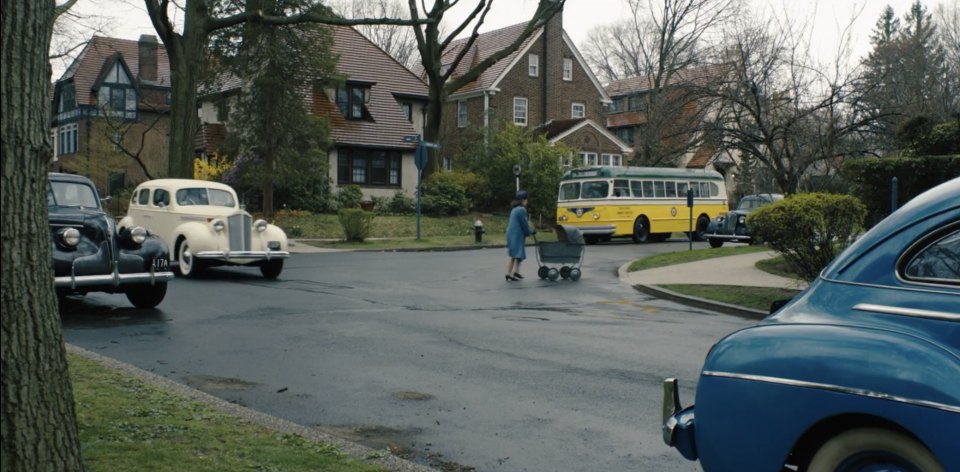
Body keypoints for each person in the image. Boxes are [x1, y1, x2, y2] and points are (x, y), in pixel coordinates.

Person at [505, 190, 534, 281]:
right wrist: (530, 232)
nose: (527, 202)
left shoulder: (514, 209)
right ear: (523, 200)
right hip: (516, 235)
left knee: (518, 253)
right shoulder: (521, 210)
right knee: (514, 254)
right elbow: (524, 224)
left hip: (512, 234)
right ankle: (509, 273)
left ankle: (516, 271)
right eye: (526, 200)